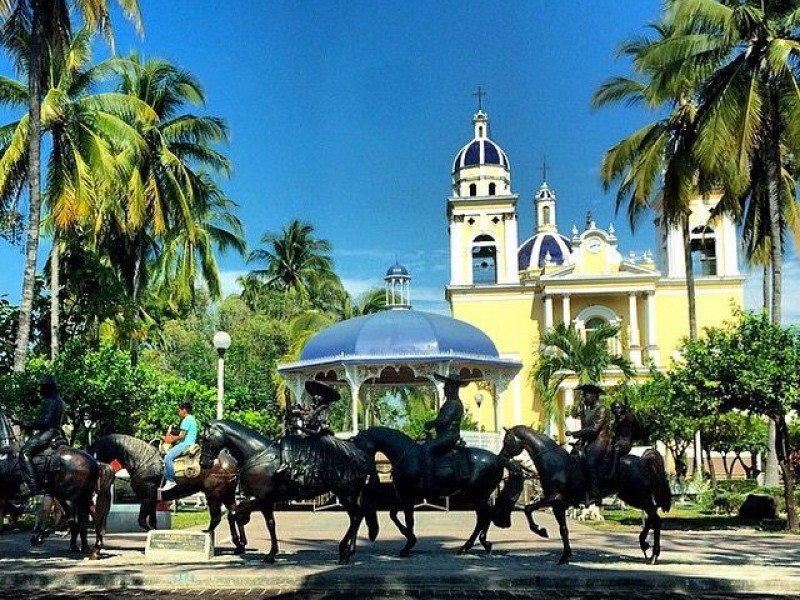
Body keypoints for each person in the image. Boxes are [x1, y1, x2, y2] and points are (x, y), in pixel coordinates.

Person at [19, 374, 66, 496]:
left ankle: (33, 487)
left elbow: (44, 422)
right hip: (56, 431)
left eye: (42, 387)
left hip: (48, 432)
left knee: (24, 452)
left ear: (48, 387)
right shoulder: (59, 400)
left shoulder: (51, 401)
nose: (40, 390)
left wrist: (28, 423)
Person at [566, 382, 609, 507]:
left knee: (590, 462)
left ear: (594, 396)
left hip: (599, 442)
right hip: (588, 442)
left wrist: (575, 433)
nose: (584, 398)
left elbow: (594, 429)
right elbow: (585, 429)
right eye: (583, 396)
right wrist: (579, 440)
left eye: (586, 395)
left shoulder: (602, 409)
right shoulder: (585, 412)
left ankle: (595, 495)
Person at [422, 373, 467, 486]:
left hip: (448, 437)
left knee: (427, 448)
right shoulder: (452, 402)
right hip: (445, 435)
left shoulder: (453, 403)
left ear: (452, 388)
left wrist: (430, 423)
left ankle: (429, 479)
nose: (444, 389)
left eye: (446, 387)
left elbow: (444, 421)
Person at [158, 401, 198, 492]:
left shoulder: (186, 420)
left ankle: (170, 480)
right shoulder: (192, 419)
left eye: (179, 411)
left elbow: (181, 436)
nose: (179, 413)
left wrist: (169, 439)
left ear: (184, 410)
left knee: (168, 457)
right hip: (188, 443)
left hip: (185, 444)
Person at [607, 400, 637, 481]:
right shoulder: (617, 420)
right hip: (618, 441)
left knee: (617, 449)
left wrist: (626, 412)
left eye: (618, 408)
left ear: (622, 408)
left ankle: (614, 472)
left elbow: (630, 419)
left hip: (626, 442)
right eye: (614, 409)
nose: (616, 410)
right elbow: (615, 434)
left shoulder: (627, 416)